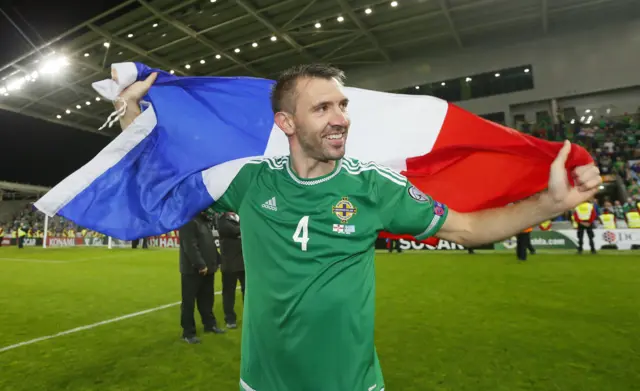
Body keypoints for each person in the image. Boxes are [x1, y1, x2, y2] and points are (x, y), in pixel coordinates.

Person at [115, 64, 601, 391]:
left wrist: (550, 202)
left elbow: (469, 228)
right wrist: (132, 111)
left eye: (343, 106)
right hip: (263, 381)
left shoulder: (374, 187)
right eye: (323, 108)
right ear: (286, 122)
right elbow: (160, 173)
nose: (340, 118)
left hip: (350, 382)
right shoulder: (248, 181)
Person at [178, 211, 225, 344]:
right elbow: (190, 246)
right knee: (189, 302)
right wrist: (200, 264)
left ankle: (210, 325)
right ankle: (188, 332)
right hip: (192, 271)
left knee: (207, 300)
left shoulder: (205, 221)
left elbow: (210, 244)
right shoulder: (188, 221)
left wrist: (217, 260)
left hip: (208, 268)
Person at [216, 211, 246, 329]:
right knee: (229, 293)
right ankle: (230, 319)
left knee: (247, 292)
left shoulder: (239, 217)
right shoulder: (222, 219)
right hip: (229, 264)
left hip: (243, 263)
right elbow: (233, 230)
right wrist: (242, 229)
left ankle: (248, 316)